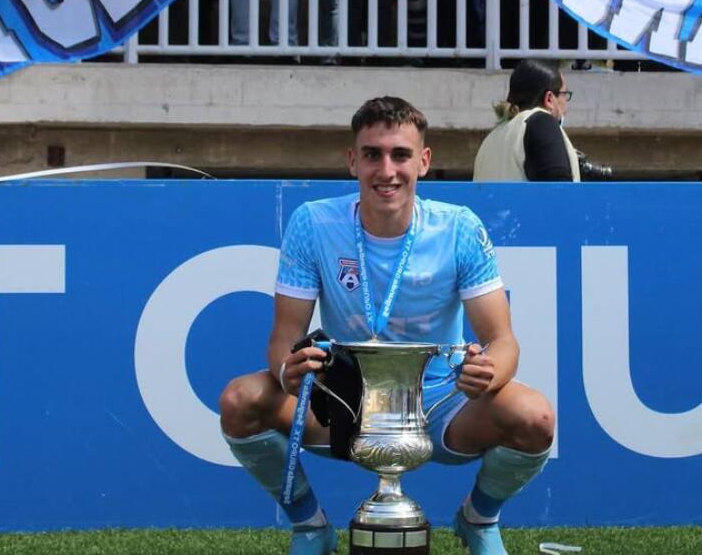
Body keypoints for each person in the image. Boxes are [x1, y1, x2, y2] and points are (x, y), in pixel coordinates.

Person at [219, 96, 555, 555]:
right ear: (352, 160)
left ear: (424, 161)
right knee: (240, 402)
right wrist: (287, 370)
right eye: (373, 154)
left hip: (442, 403)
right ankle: (310, 527)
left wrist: (489, 371)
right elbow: (283, 338)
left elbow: (502, 341)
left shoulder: (458, 227)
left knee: (534, 417)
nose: (387, 170)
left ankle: (479, 517)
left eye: (400, 154)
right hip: (345, 399)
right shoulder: (313, 223)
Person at [473, 60, 580, 181]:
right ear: (549, 99)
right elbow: (558, 189)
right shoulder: (541, 123)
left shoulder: (490, 140)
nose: (566, 104)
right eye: (564, 94)